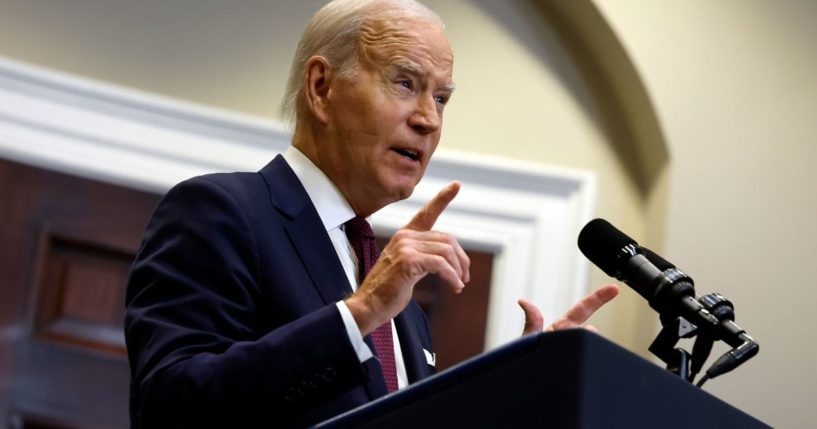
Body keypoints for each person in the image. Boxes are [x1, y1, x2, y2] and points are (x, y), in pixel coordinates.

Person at [124, 0, 619, 428]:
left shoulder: (403, 309)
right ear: (321, 87)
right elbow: (170, 407)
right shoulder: (222, 213)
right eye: (404, 83)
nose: (428, 119)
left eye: (441, 98)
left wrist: (514, 385)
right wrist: (360, 313)